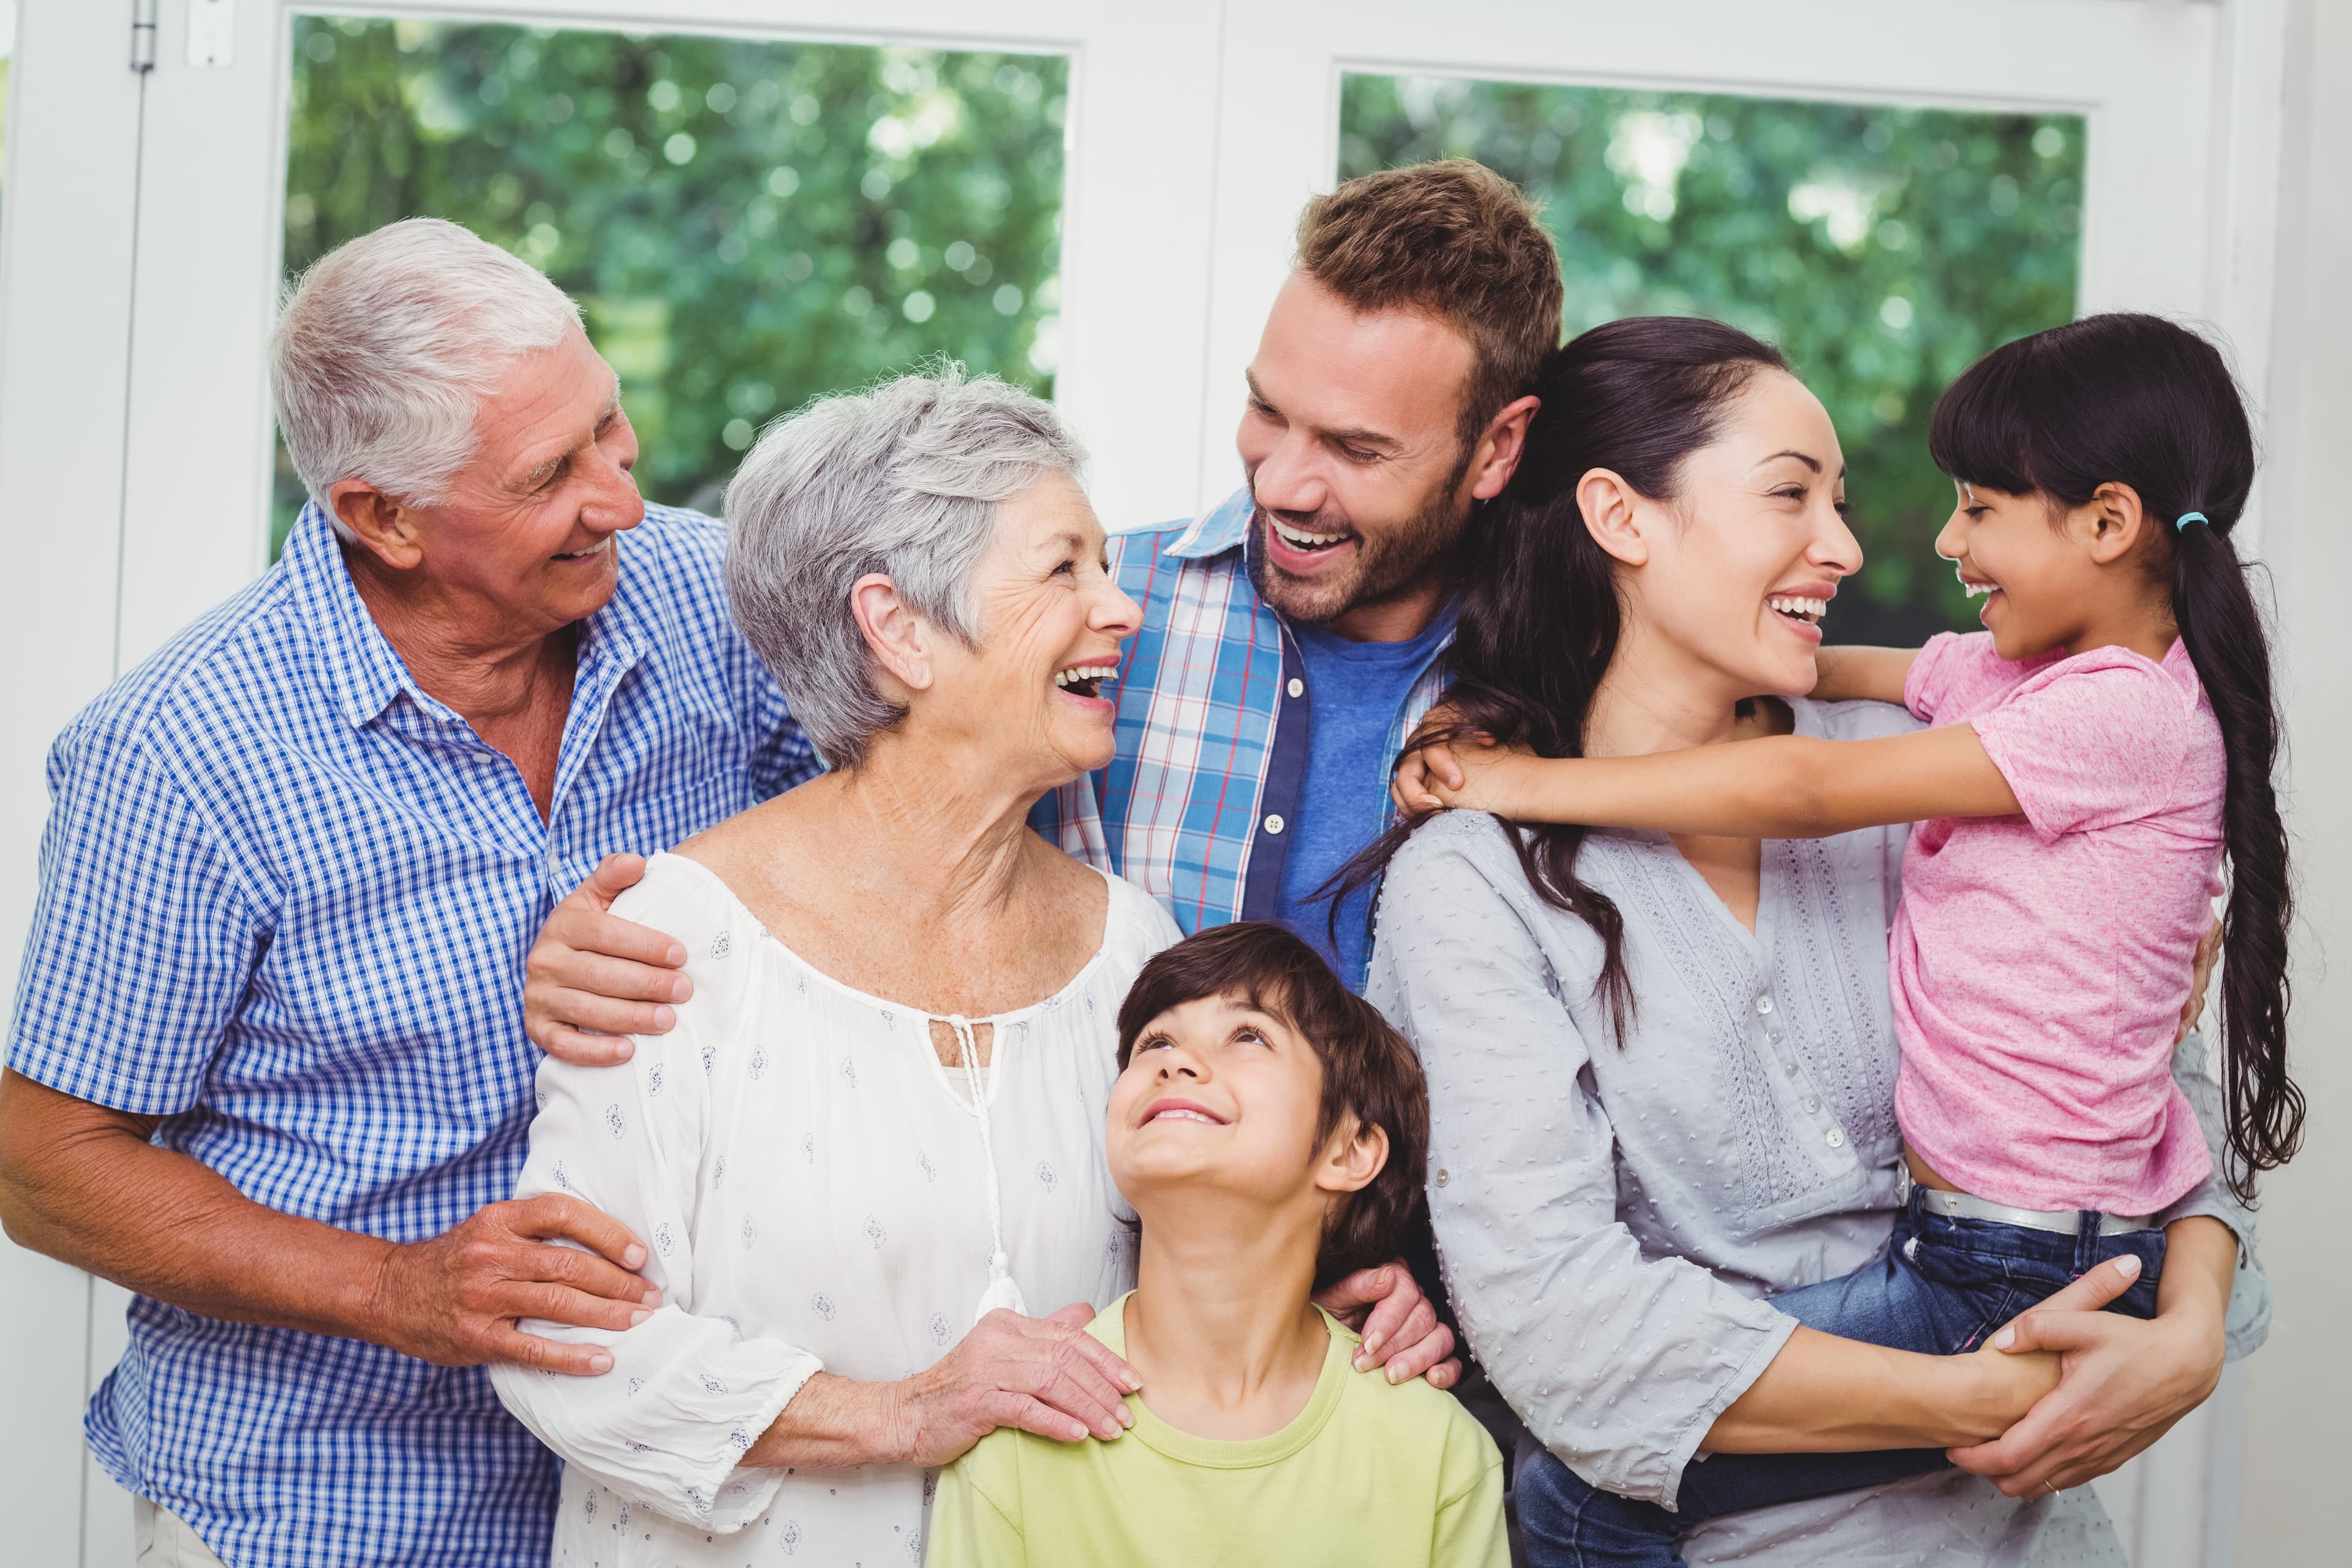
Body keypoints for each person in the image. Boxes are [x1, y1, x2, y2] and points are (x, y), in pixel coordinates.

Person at [489, 371, 1449, 1567]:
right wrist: (905, 1410)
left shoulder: (1132, 952)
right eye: (1065, 570)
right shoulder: (676, 940)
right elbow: (563, 1336)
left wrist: (1323, 1298)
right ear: (899, 628)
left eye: (1106, 564)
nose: (1122, 606)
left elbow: (1182, 1275)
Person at [1362, 317, 2267, 1567]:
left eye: (1839, 501)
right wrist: (1985, 1399)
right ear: (1620, 518)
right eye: (1792, 493)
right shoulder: (1472, 880)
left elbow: (2142, 1072)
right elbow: (1561, 1317)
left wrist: (2192, 1330)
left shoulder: (1918, 780)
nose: (1846, 546)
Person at [0, 219, 823, 1567]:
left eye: (609, 426)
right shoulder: (180, 753)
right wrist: (405, 1286)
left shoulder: (696, 592)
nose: (619, 495)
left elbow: (860, 849)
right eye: (552, 473)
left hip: (659, 1491)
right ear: (383, 516)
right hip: (325, 1507)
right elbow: (45, 1166)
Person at [521, 157, 1560, 1019]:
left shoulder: (1563, 685)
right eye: (1266, 411)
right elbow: (856, 824)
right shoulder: (1085, 624)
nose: (1283, 481)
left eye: (1358, 448)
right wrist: (634, 937)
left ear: (1497, 447)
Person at [925, 922, 1509, 1568]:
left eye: (1248, 1035)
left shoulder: (1437, 1456)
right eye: (1155, 1041)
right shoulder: (1021, 1431)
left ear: (1351, 1149)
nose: (1173, 1061)